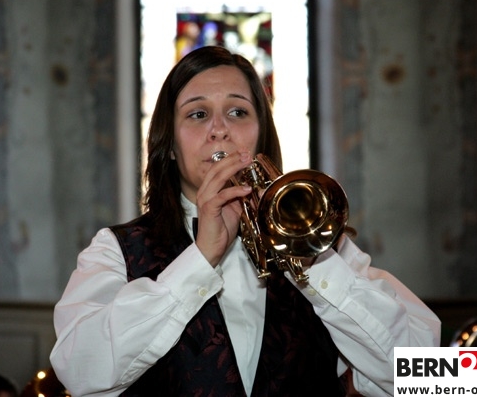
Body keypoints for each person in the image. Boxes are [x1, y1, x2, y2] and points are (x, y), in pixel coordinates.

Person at [49, 45, 441, 396]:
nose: (220, 130)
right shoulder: (116, 249)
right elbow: (80, 370)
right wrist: (199, 261)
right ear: (169, 145)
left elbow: (427, 376)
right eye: (198, 114)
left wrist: (313, 267)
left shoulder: (327, 250)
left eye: (238, 112)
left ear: (260, 135)